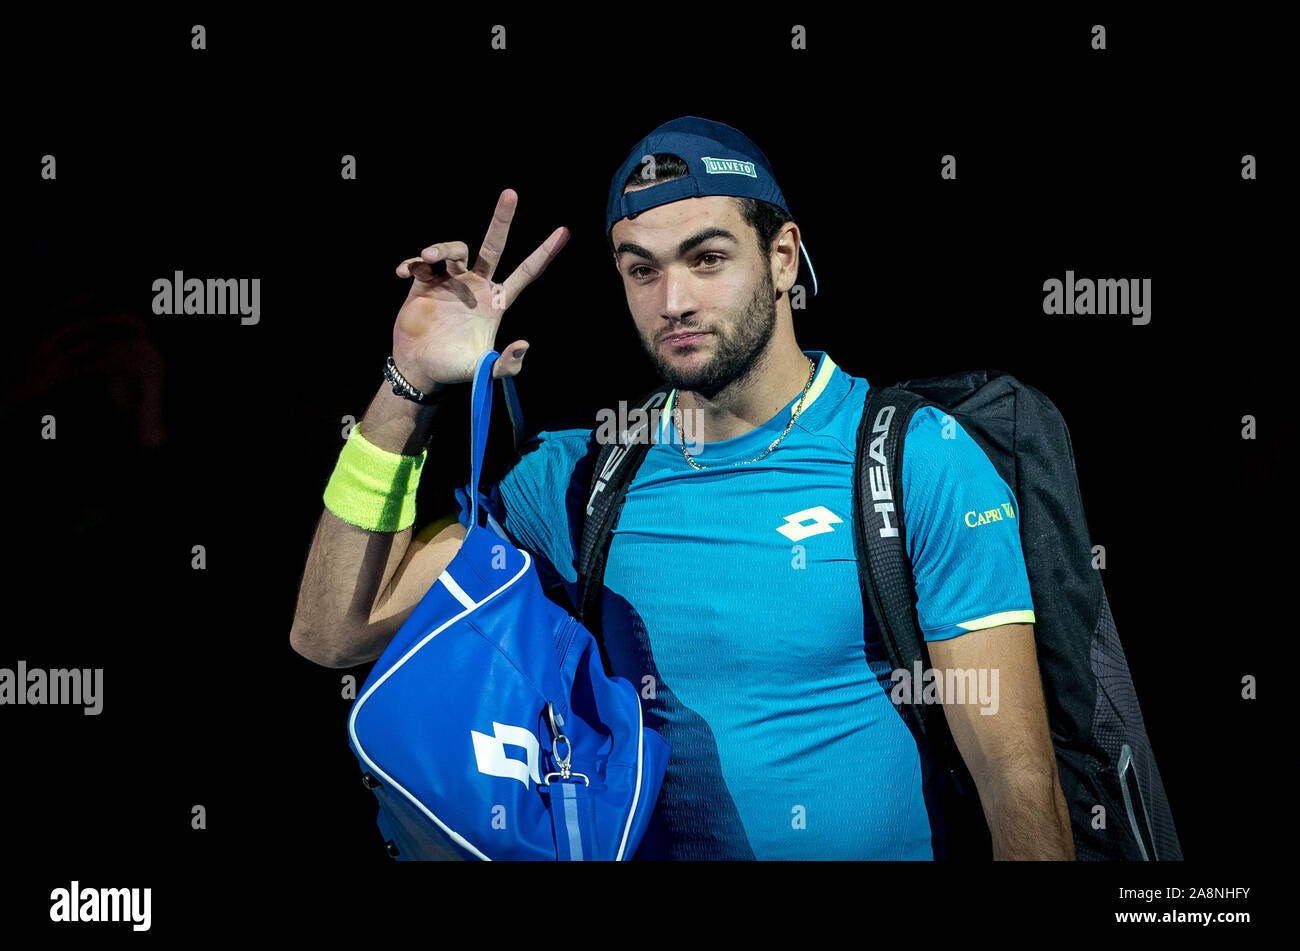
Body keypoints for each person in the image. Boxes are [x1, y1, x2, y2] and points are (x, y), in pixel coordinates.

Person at [290, 116, 1075, 861]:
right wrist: (409, 382)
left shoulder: (913, 459)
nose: (672, 302)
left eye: (706, 258)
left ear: (783, 257)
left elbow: (1018, 783)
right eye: (641, 269)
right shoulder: (577, 479)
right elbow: (333, 631)